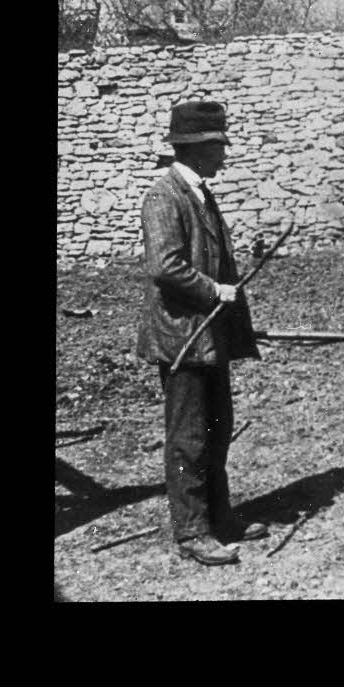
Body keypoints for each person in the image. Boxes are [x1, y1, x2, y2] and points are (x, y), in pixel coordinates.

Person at [137, 100, 268, 565]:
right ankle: (192, 531)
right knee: (189, 435)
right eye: (219, 147)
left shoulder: (200, 193)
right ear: (196, 149)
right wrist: (214, 290)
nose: (224, 156)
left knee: (218, 426)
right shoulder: (163, 196)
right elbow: (164, 266)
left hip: (210, 336)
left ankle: (220, 517)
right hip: (182, 336)